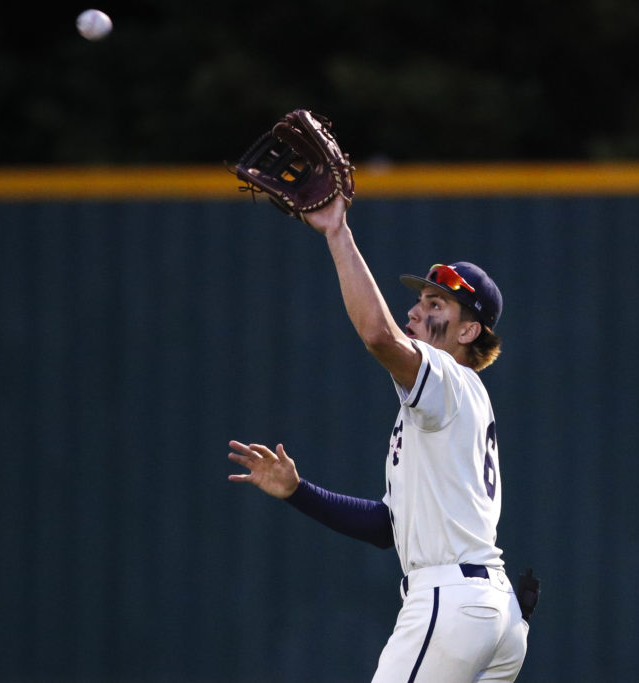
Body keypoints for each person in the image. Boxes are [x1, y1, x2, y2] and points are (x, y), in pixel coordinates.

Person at [227, 197, 529, 682]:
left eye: (436, 305)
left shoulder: (448, 381)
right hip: (495, 613)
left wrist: (335, 231)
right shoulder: (449, 406)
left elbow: (378, 335)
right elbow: (388, 527)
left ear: (469, 330)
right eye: (420, 300)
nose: (414, 310)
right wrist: (298, 491)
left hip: (451, 602)